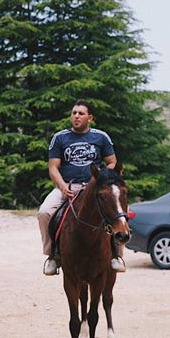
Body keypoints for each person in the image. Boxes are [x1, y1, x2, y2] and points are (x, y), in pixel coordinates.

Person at [37, 99, 126, 276]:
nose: (76, 116)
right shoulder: (60, 138)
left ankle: (116, 255)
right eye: (74, 113)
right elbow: (53, 167)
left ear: (90, 117)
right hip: (68, 186)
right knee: (44, 212)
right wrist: (62, 186)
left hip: (94, 188)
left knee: (117, 212)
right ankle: (52, 256)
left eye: (81, 113)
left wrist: (101, 179)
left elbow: (112, 163)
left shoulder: (101, 137)